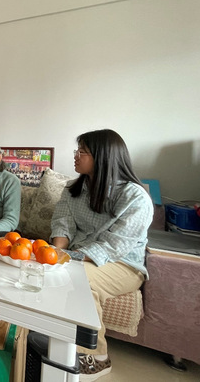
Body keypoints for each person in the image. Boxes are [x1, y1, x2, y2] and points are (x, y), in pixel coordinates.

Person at [50, 129, 153, 381]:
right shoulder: (73, 189)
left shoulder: (135, 197)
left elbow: (114, 246)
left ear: (103, 157)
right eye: (77, 150)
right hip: (77, 255)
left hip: (123, 264)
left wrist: (70, 258)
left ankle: (97, 357)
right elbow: (63, 223)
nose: (76, 156)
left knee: (80, 280)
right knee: (46, 269)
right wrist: (56, 253)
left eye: (82, 152)